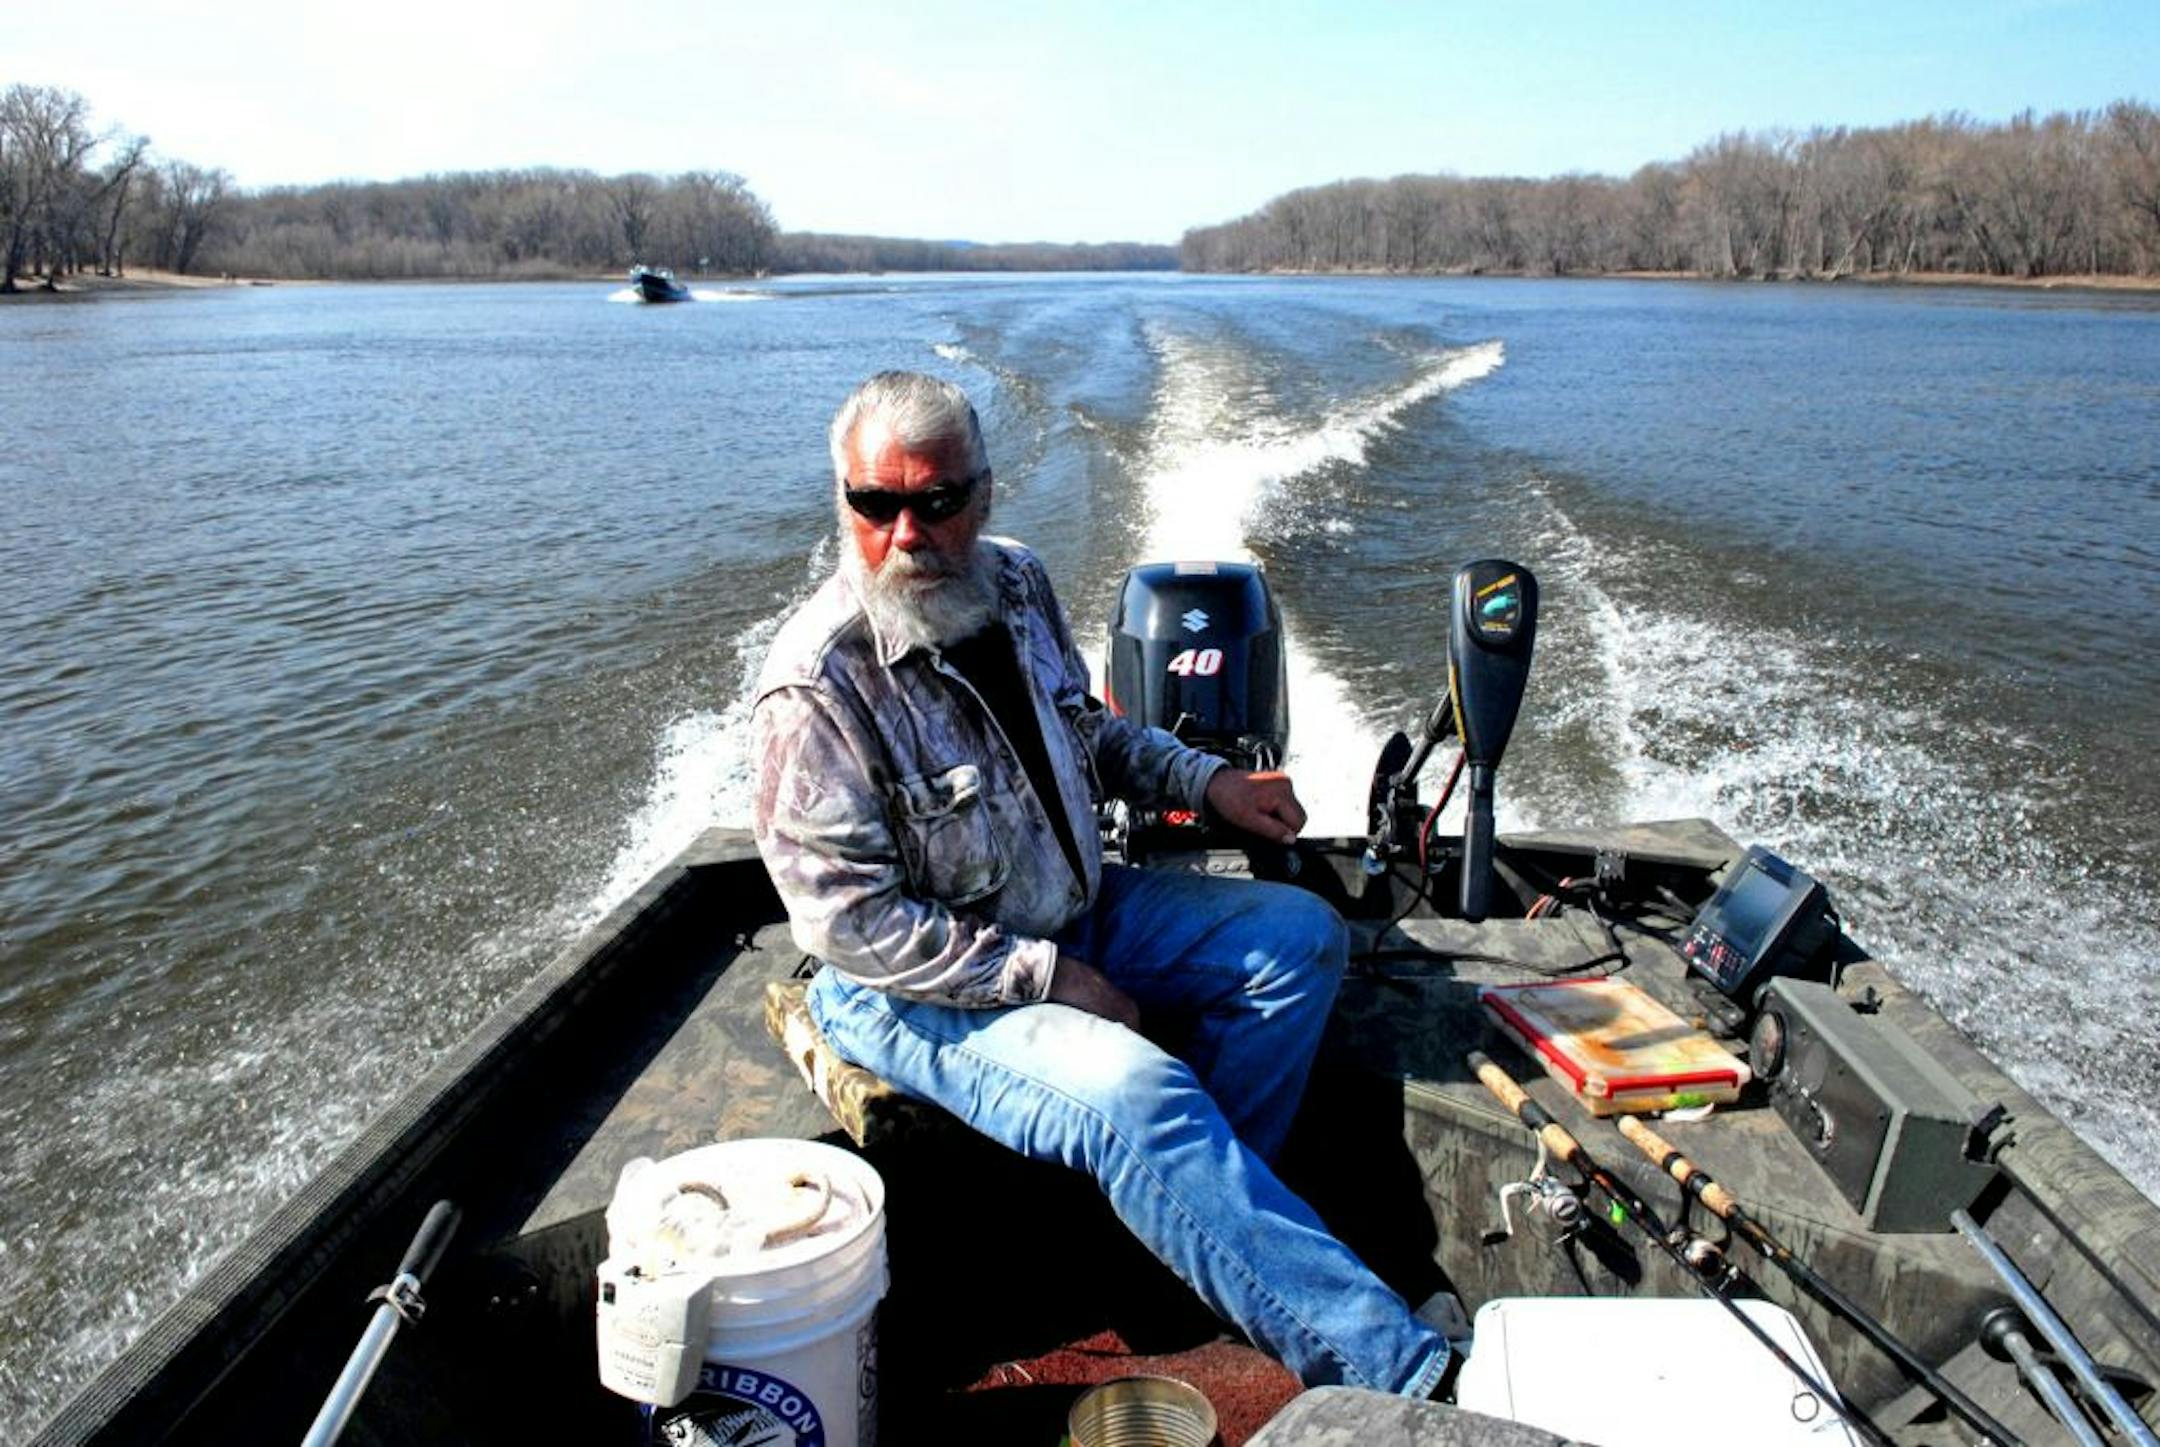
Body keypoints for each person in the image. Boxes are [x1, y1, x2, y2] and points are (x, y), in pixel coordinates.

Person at [750, 370, 1456, 1398]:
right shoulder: (816, 685)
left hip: (1075, 905)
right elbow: (852, 921)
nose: (906, 531)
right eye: (875, 503)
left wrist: (1208, 783)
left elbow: (1086, 730)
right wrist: (1050, 978)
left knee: (1302, 939)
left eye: (937, 501)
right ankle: (1408, 1372)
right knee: (1138, 1090)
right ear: (846, 502)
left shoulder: (1019, 582)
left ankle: (1188, 1252)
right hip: (908, 988)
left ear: (983, 496)